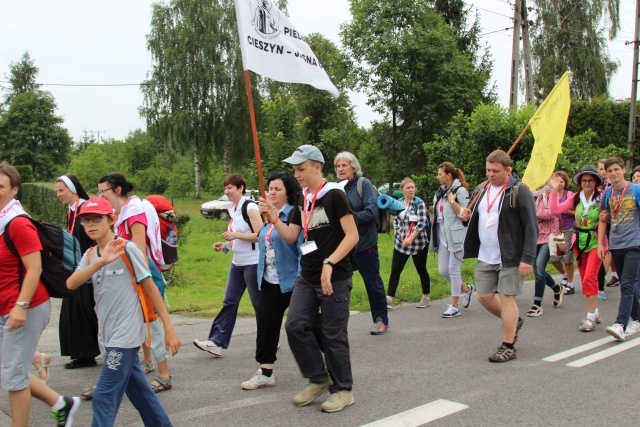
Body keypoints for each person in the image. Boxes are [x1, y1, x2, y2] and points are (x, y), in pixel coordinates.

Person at [259, 144, 359, 413]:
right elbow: (292, 236)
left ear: (317, 167)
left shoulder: (334, 195)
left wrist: (330, 262)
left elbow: (352, 236)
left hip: (334, 276)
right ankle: (318, 378)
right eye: (295, 169)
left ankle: (343, 390)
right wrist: (272, 217)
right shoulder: (303, 198)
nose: (297, 174)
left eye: (301, 169)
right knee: (295, 325)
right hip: (307, 274)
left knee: (332, 333)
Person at [66, 197, 180, 426]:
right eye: (86, 220)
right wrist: (99, 262)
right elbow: (71, 283)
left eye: (96, 219)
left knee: (104, 396)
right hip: (106, 335)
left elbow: (151, 287)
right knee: (141, 394)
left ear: (111, 219)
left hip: (126, 335)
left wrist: (169, 328)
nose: (90, 225)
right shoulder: (90, 255)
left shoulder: (128, 249)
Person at [0, 162, 80, 427]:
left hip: (26, 307)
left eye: (0, 186)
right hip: (5, 308)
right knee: (11, 370)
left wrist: (21, 306)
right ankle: (61, 403)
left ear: (14, 190)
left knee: (13, 379)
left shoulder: (17, 223)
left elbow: (34, 268)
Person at [97, 173, 173, 393]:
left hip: (142, 274)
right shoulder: (119, 213)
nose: (101, 195)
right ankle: (147, 362)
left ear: (117, 190)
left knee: (152, 322)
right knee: (138, 322)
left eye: (104, 191)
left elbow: (138, 251)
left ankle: (164, 375)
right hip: (130, 274)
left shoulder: (133, 213)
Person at [459, 150, 538, 363]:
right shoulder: (481, 189)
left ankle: (508, 345)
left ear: (508, 170)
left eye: (495, 171)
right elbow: (478, 218)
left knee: (506, 296)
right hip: (486, 254)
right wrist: (466, 217)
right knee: (484, 297)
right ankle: (513, 322)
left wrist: (527, 258)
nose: (491, 174)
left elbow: (532, 226)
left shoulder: (520, 191)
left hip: (510, 255)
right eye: (488, 170)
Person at [241, 172, 302, 390]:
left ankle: (327, 366)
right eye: (270, 188)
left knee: (303, 326)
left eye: (277, 189)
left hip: (293, 280)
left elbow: (303, 247)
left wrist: (304, 275)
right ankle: (266, 372)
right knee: (266, 324)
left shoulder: (294, 215)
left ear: (288, 193)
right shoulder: (266, 217)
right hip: (268, 280)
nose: (272, 192)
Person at [193, 174, 262, 356]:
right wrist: (224, 245)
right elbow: (234, 236)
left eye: (230, 187)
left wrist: (236, 236)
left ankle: (269, 337)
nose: (226, 191)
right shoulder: (233, 209)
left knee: (259, 304)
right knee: (229, 302)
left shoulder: (251, 207)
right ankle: (216, 342)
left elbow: (261, 235)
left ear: (240, 188)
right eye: (225, 188)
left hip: (253, 263)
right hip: (237, 263)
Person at [334, 152, 388, 334]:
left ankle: (380, 319)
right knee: (337, 282)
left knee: (373, 283)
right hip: (344, 245)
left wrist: (347, 219)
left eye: (344, 165)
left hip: (365, 245)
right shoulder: (336, 188)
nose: (340, 169)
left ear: (353, 167)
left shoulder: (363, 184)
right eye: (338, 166)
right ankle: (336, 324)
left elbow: (371, 212)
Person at [549, 166, 604, 331]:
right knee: (586, 278)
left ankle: (590, 317)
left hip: (595, 241)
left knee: (589, 277)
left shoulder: (601, 197)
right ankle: (595, 311)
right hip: (579, 241)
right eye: (584, 180)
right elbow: (555, 210)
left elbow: (606, 218)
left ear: (596, 182)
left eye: (590, 180)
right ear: (580, 182)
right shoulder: (576, 198)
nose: (587, 183)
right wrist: (553, 191)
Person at [54, 174, 100, 369]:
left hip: (88, 268)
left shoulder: (86, 209)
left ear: (73, 190)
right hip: (76, 268)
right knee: (73, 312)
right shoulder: (71, 211)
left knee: (81, 311)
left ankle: (86, 354)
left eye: (61, 190)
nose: (58, 194)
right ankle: (82, 354)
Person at [598, 157, 640, 340]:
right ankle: (637, 318)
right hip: (616, 243)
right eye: (610, 171)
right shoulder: (607, 193)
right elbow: (603, 218)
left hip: (635, 243)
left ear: (624, 170)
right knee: (626, 283)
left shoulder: (636, 189)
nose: (614, 173)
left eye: (617, 169)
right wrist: (600, 243)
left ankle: (620, 323)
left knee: (628, 284)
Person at [430, 162, 474, 318]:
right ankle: (467, 289)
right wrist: (434, 241)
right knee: (444, 270)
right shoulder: (440, 192)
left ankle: (455, 306)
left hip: (456, 236)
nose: (438, 177)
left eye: (440, 174)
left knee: (454, 271)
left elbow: (465, 215)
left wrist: (452, 201)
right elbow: (437, 217)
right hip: (443, 237)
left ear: (448, 175)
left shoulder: (460, 191)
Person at [386, 178, 431, 308]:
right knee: (395, 269)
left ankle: (426, 296)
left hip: (418, 244)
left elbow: (422, 223)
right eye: (408, 188)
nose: (411, 190)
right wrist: (396, 233)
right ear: (402, 190)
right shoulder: (398, 203)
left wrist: (411, 238)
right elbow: (395, 219)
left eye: (412, 187)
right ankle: (389, 298)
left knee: (421, 269)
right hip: (401, 244)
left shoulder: (419, 203)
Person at [526, 181, 564, 317]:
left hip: (548, 236)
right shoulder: (531, 195)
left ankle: (537, 304)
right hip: (534, 236)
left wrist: (534, 212)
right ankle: (557, 288)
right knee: (536, 270)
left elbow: (550, 213)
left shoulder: (551, 193)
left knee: (539, 268)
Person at [548, 171, 577, 295]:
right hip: (555, 230)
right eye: (557, 181)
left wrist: (567, 211)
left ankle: (570, 284)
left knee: (567, 257)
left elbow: (578, 212)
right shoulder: (550, 195)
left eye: (562, 181)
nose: (559, 184)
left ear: (565, 183)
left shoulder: (570, 195)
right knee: (553, 257)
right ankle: (564, 276)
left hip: (568, 228)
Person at [597, 159, 619, 291]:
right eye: (601, 169)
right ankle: (615, 275)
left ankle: (603, 276)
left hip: (622, 229)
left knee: (610, 250)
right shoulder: (600, 187)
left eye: (605, 169)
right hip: (606, 225)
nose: (604, 172)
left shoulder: (617, 186)